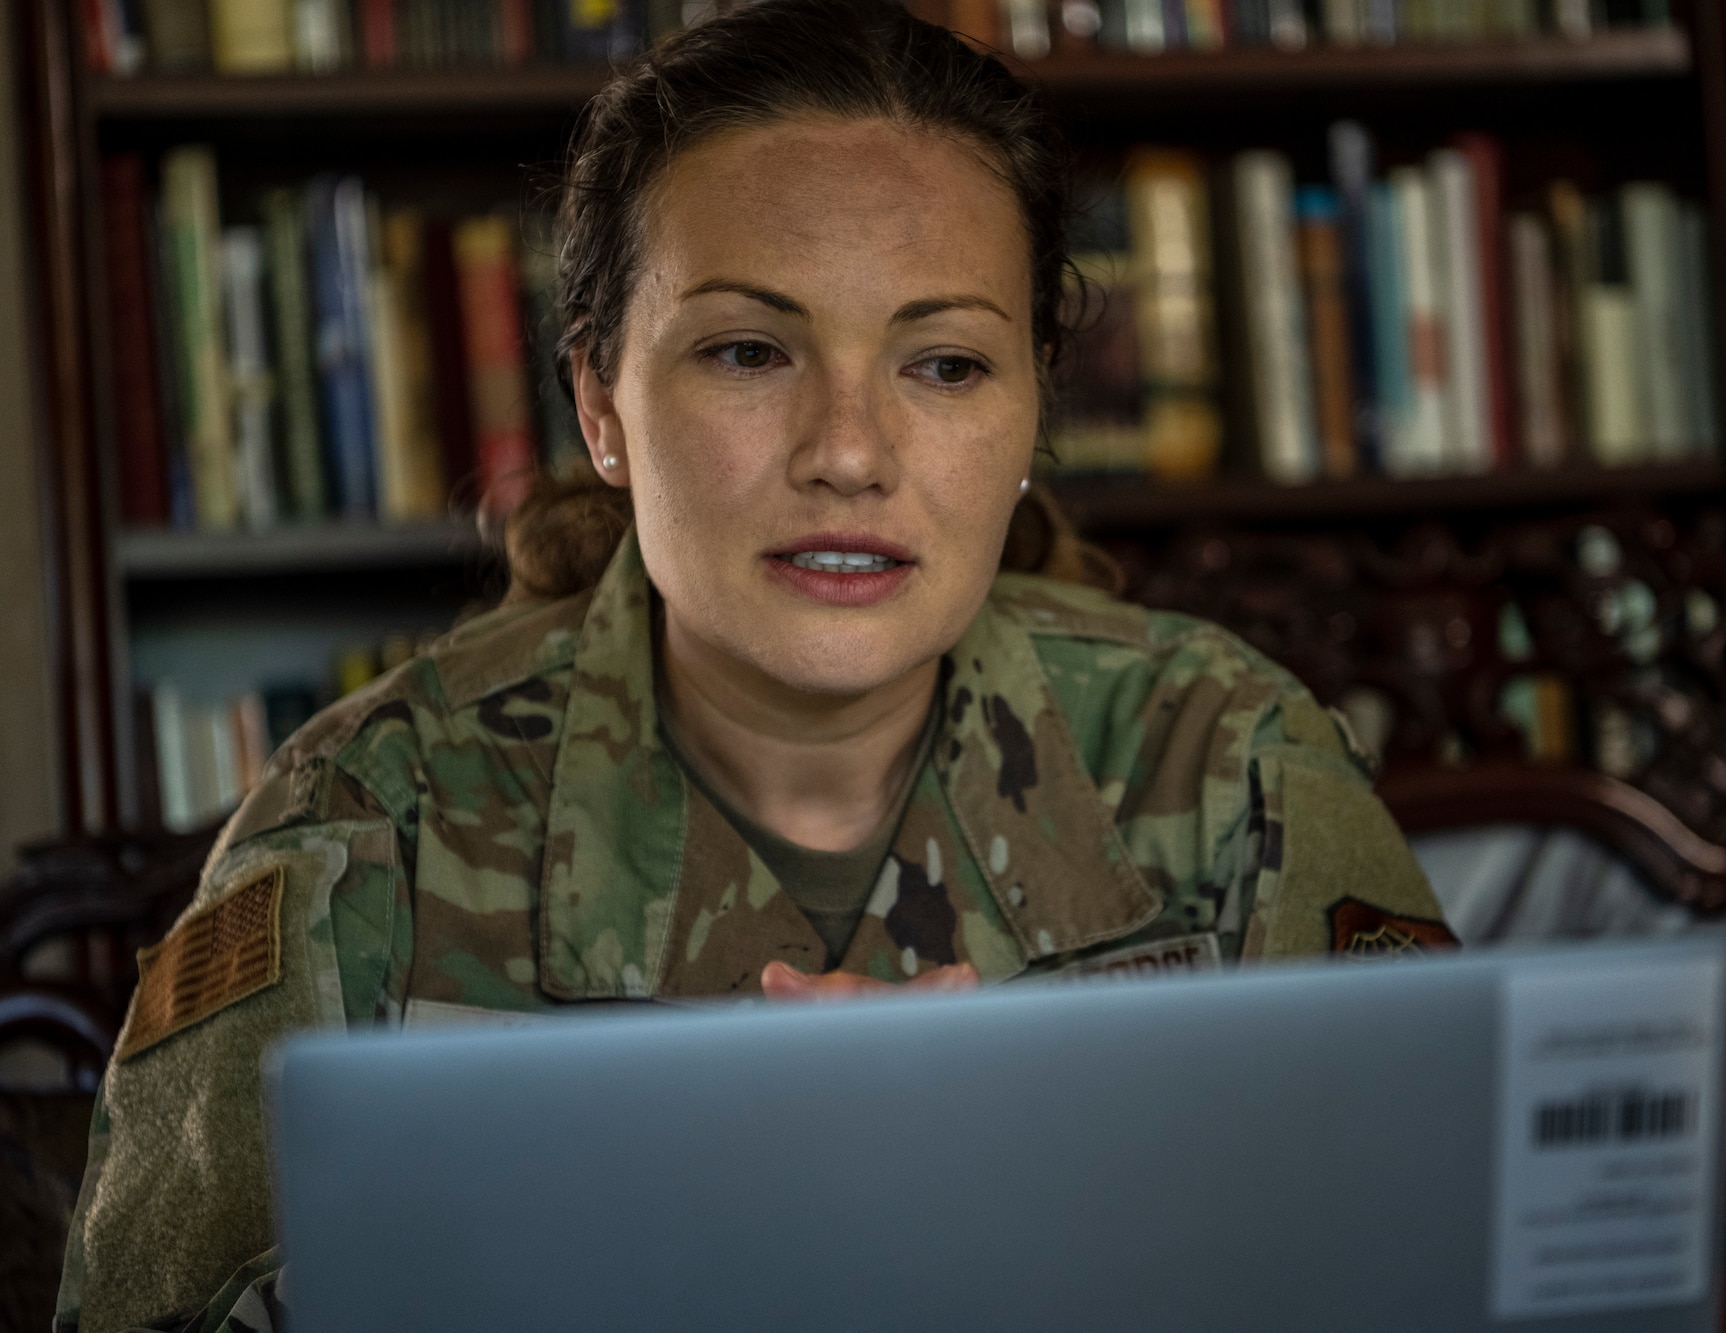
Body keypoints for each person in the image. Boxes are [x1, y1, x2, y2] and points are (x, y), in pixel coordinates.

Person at [57, 3, 1452, 1328]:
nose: (848, 450)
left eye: (947, 366)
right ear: (603, 403)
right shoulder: (369, 826)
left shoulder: (1229, 760)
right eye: (747, 350)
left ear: (1034, 402)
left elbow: (1463, 1269)